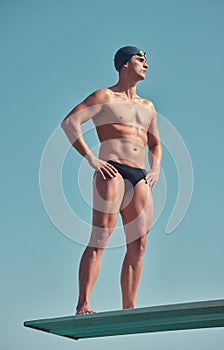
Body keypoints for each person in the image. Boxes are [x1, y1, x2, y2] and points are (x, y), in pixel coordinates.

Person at [61, 46, 162, 314]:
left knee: (139, 244)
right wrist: (91, 159)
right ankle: (83, 304)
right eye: (140, 59)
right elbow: (70, 123)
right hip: (112, 170)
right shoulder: (104, 96)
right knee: (101, 236)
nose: (146, 64)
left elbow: (155, 144)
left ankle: (129, 308)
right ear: (124, 65)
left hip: (140, 176)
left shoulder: (147, 106)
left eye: (146, 60)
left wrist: (155, 170)